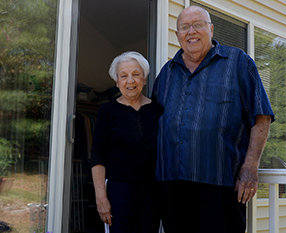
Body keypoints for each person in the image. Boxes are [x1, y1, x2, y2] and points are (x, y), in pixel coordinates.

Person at [152, 6, 275, 233]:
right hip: (171, 183)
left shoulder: (238, 62)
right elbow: (154, 123)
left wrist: (251, 166)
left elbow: (262, 116)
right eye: (184, 27)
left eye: (197, 24)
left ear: (211, 28)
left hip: (220, 181)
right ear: (178, 34)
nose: (191, 32)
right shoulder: (166, 73)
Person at [91, 51, 162, 233]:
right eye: (123, 76)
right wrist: (101, 197)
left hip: (151, 190)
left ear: (144, 79)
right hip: (118, 190)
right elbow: (97, 155)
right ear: (117, 82)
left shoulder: (157, 110)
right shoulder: (107, 111)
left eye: (136, 75)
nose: (130, 81)